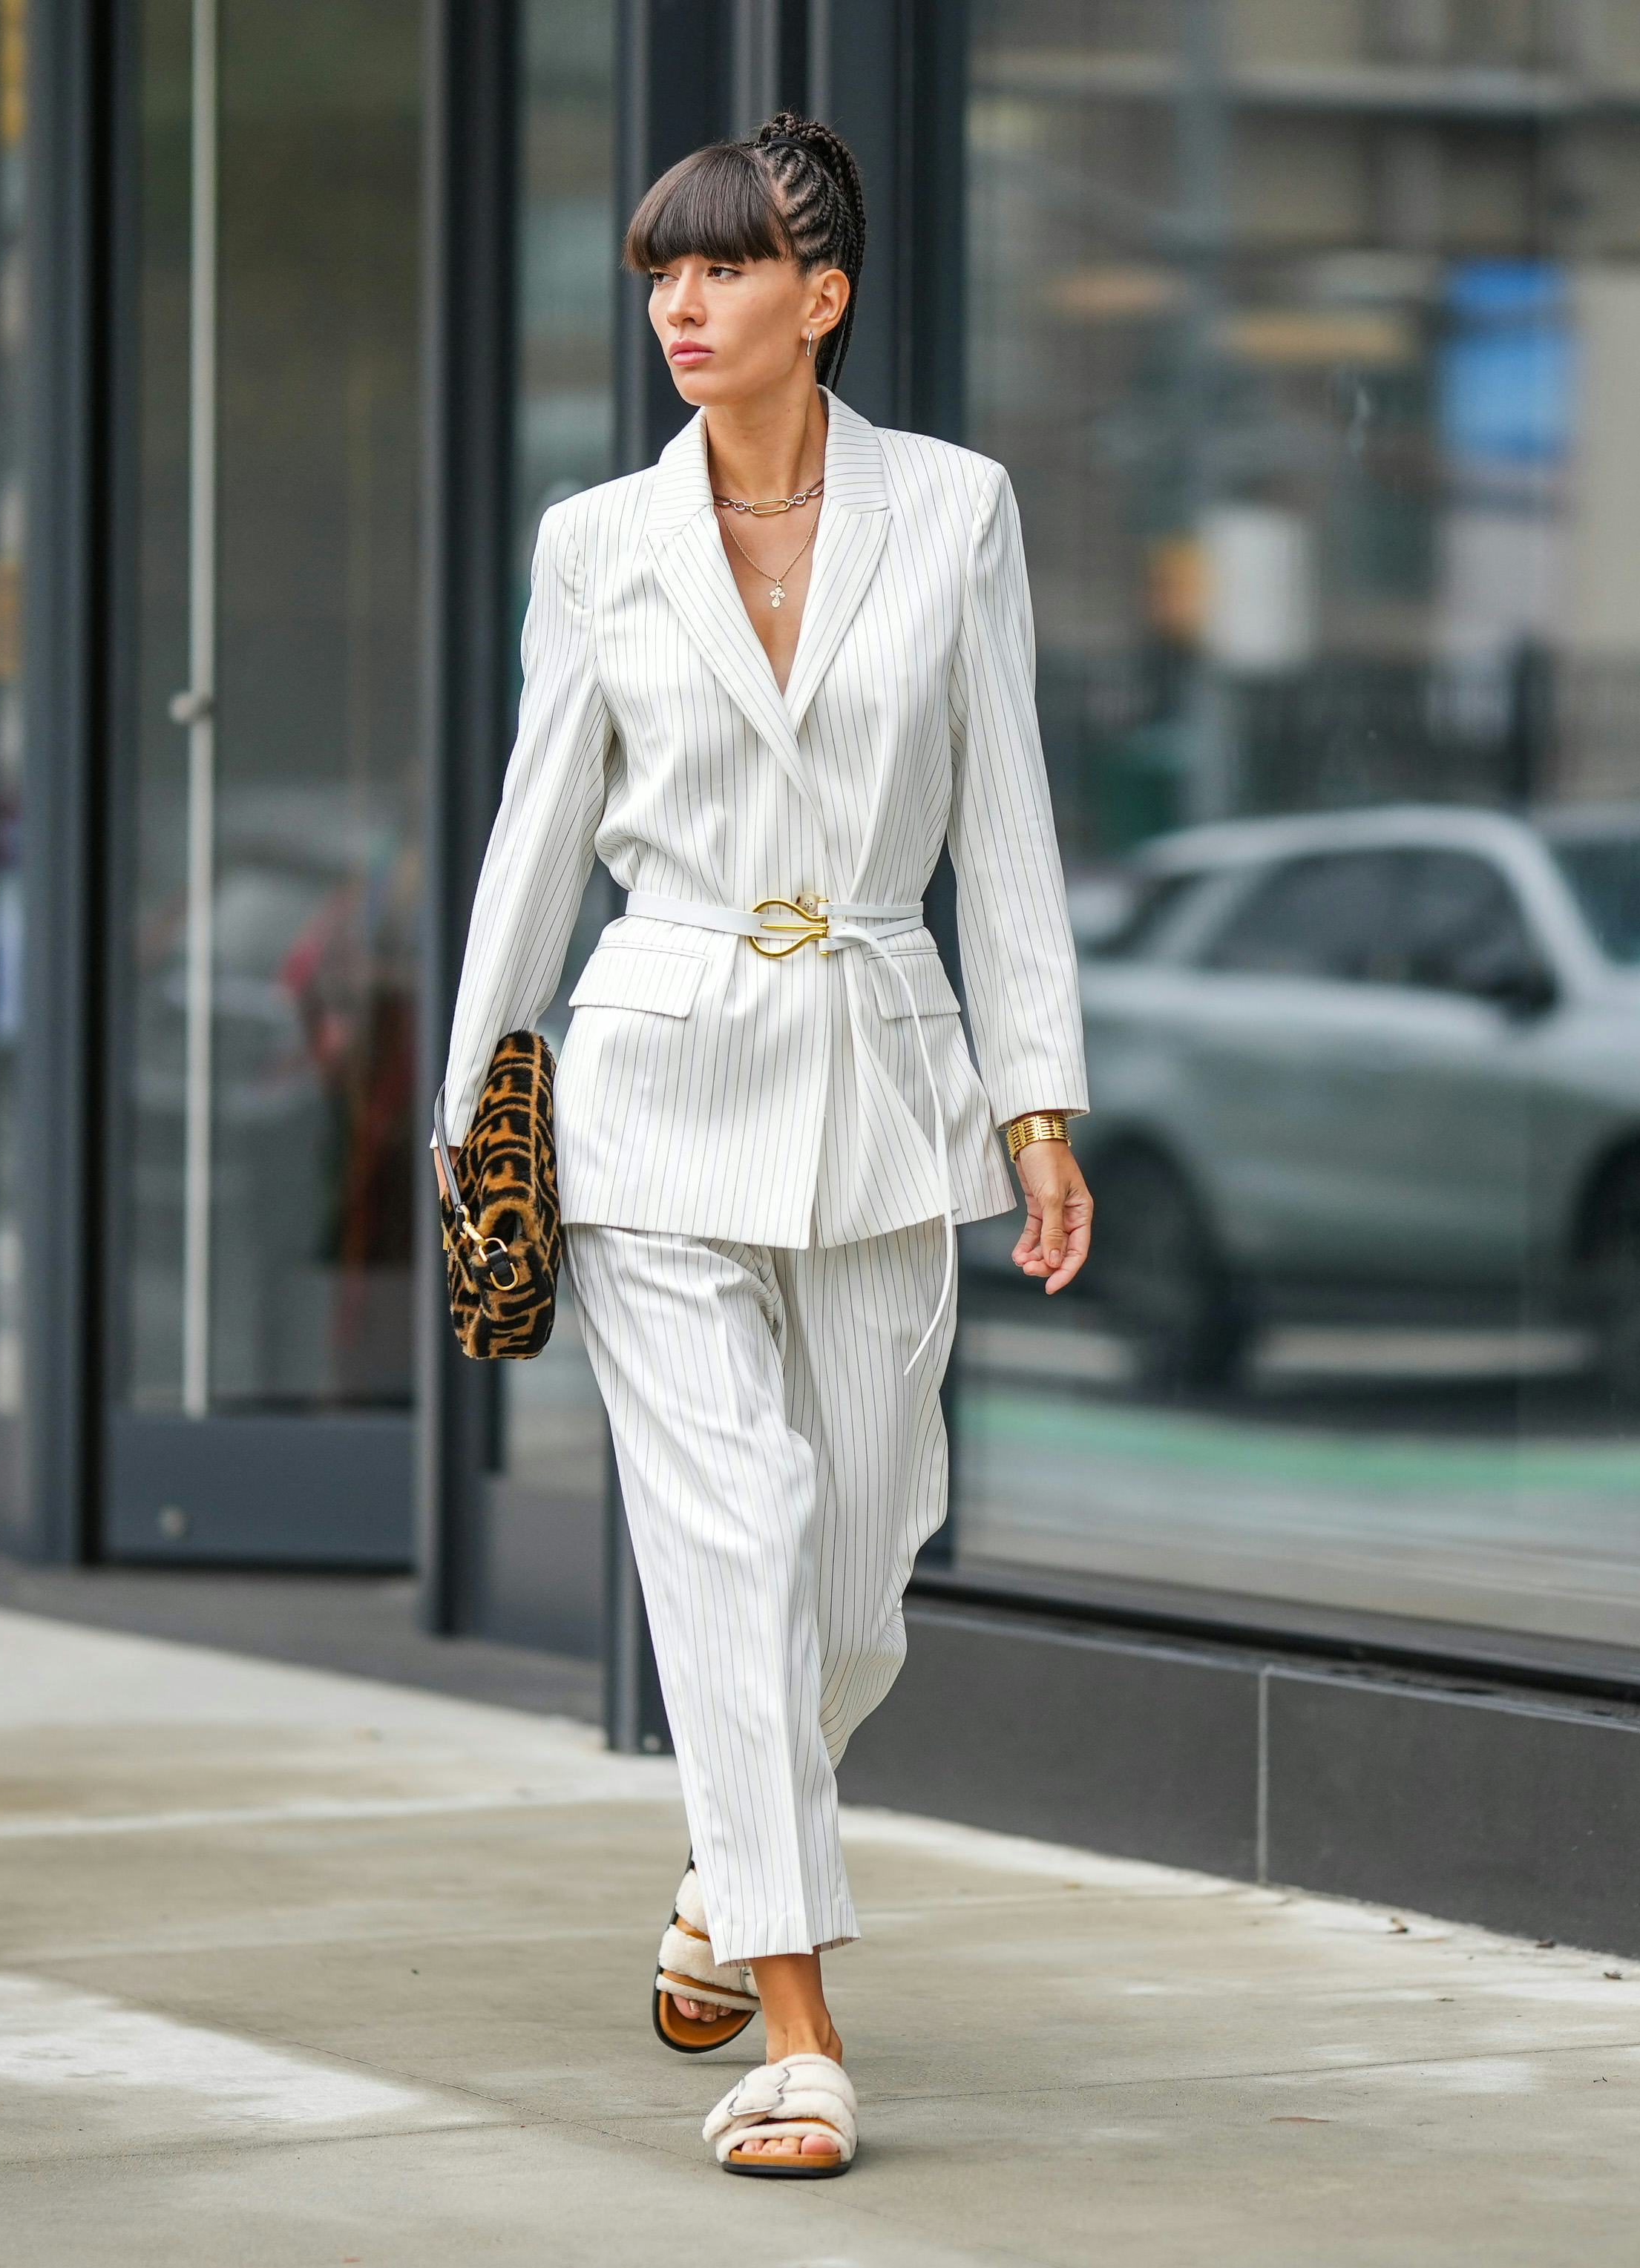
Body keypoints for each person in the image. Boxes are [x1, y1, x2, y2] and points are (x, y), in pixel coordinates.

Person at [433, 114, 1091, 2179]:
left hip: (884, 1077)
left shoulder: (956, 510)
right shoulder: (597, 541)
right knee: (729, 1547)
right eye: (663, 272)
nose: (682, 307)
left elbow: (1007, 821)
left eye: (722, 268)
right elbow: (538, 834)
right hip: (653, 1080)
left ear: (826, 296)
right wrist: (470, 1104)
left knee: (862, 1571)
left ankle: (732, 1867)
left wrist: (1037, 1099)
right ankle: (801, 2037)